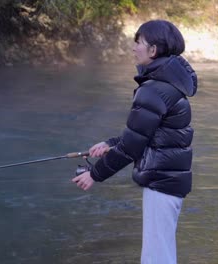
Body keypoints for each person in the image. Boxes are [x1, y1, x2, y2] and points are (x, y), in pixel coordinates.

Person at [72, 19, 197, 264]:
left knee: (155, 257)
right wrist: (110, 143)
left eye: (138, 42)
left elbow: (132, 146)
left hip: (162, 182)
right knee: (161, 252)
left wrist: (94, 174)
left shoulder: (153, 90)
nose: (133, 48)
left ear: (153, 50)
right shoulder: (168, 86)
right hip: (169, 181)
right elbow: (144, 134)